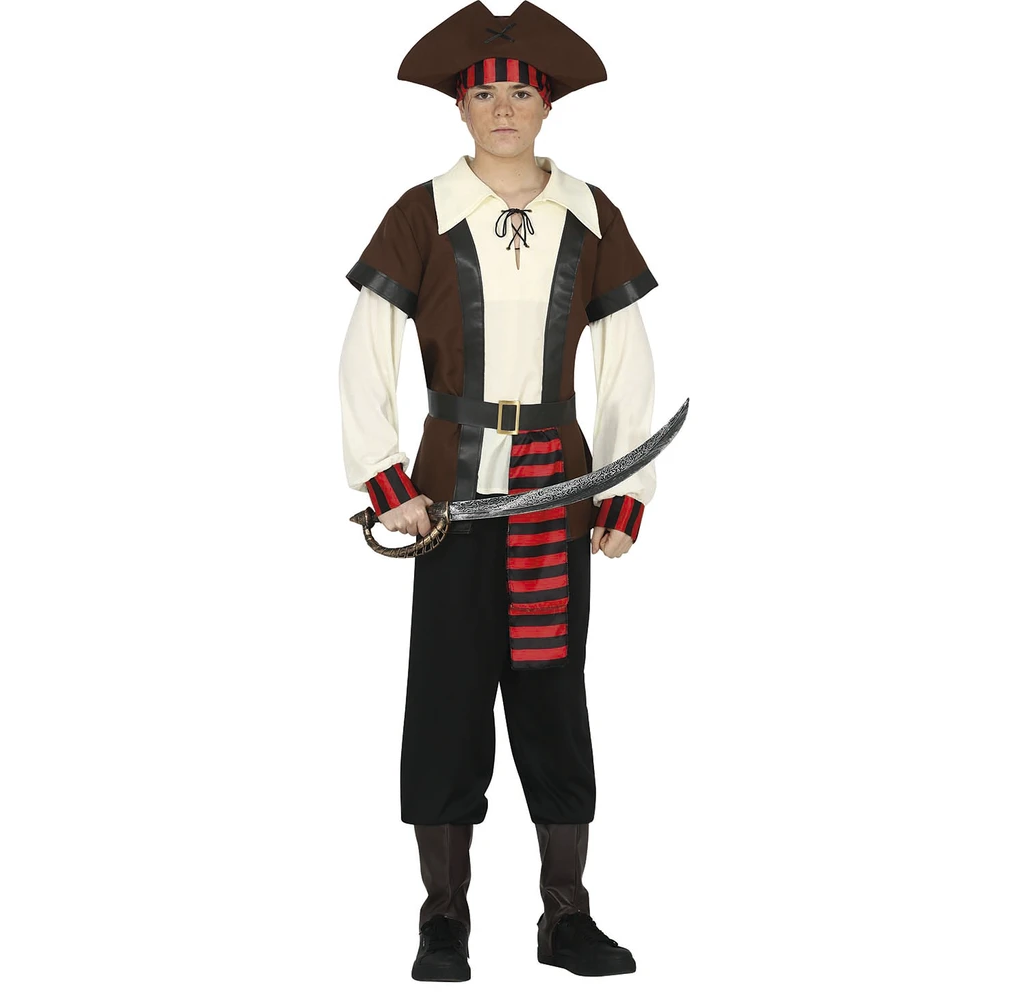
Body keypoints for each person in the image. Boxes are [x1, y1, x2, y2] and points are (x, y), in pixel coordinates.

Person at [337, 0, 659, 981]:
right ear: (461, 107)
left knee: (553, 697)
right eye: (487, 95)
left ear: (547, 104)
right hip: (446, 500)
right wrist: (386, 480)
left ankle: (566, 918)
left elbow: (625, 364)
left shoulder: (590, 212)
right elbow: (365, 352)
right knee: (445, 699)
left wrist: (624, 492)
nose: (505, 108)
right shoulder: (421, 212)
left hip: (558, 491)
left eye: (521, 91)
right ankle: (443, 919)